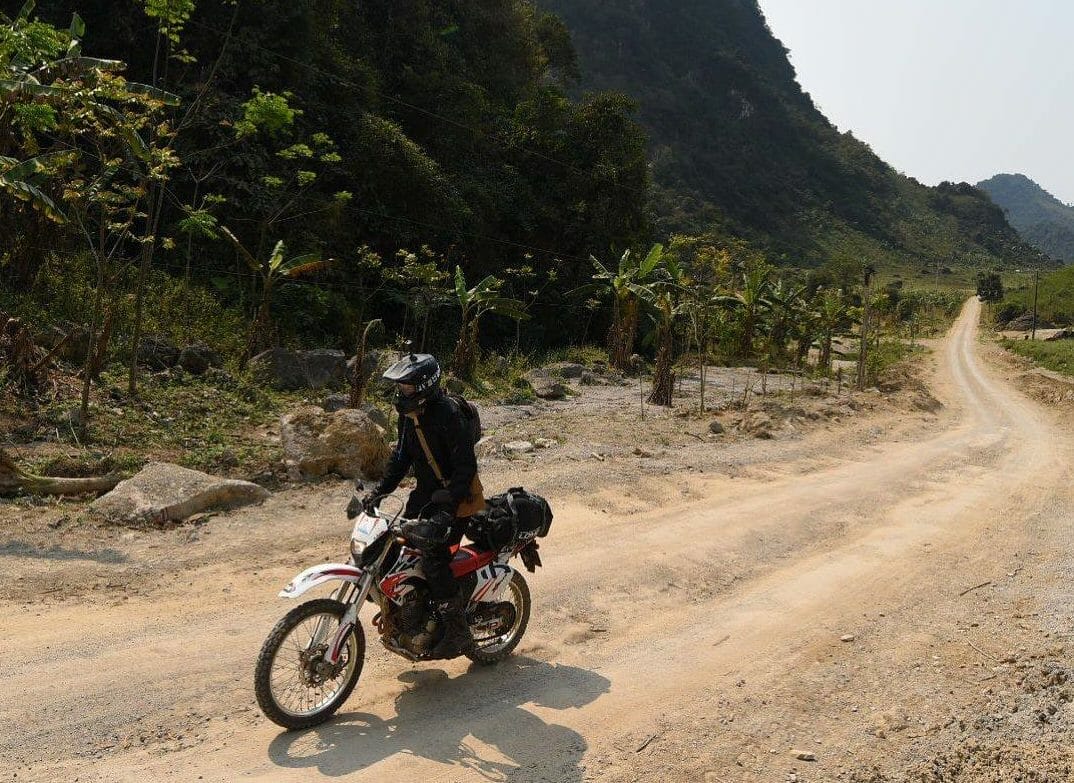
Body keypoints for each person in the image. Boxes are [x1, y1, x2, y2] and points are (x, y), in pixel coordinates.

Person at [346, 353, 484, 658]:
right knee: (391, 550)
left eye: (407, 386)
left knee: (434, 560)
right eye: (401, 386)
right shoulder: (408, 416)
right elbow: (399, 460)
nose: (402, 391)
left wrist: (449, 503)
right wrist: (379, 492)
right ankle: (409, 617)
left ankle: (457, 633)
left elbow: (465, 467)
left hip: (456, 500)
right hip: (424, 497)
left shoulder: (449, 414)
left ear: (426, 384)